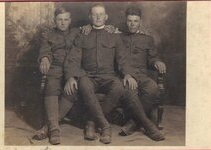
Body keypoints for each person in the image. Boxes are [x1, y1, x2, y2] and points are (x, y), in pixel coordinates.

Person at [64, 3, 165, 144]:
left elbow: (122, 60)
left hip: (109, 76)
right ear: (90, 17)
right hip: (89, 76)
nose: (98, 17)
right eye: (95, 14)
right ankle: (105, 127)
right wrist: (70, 76)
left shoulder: (114, 36)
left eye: (101, 14)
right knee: (84, 84)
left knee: (120, 87)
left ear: (106, 17)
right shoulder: (82, 35)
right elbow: (73, 59)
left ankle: (91, 123)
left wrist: (128, 75)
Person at [32, 7, 115, 144]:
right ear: (55, 21)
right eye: (60, 20)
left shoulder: (78, 32)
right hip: (56, 69)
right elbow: (44, 50)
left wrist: (108, 27)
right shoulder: (48, 35)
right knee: (51, 85)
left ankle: (49, 127)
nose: (63, 23)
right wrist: (45, 58)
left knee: (73, 88)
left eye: (66, 19)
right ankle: (55, 130)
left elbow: (95, 28)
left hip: (74, 69)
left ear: (70, 20)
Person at [118, 6, 167, 136]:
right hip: (125, 76)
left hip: (142, 76)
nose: (132, 24)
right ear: (126, 21)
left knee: (153, 88)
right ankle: (148, 126)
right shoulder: (118, 37)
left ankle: (133, 123)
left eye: (135, 21)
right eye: (129, 21)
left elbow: (152, 58)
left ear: (140, 22)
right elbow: (117, 60)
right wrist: (126, 75)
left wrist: (157, 62)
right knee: (131, 90)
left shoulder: (147, 39)